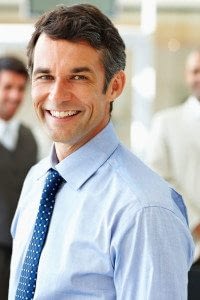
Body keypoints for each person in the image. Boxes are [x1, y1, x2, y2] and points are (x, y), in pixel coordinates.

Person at [9, 4, 194, 300]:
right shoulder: (36, 180)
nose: (57, 96)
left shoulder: (144, 210)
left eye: (79, 77)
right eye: (45, 76)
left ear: (115, 86)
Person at [145, 49, 200, 299]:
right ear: (187, 76)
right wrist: (196, 222)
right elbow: (158, 177)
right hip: (189, 247)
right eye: (195, 71)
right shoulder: (166, 123)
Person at [0, 56, 37, 299]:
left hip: (20, 251)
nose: (15, 96)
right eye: (8, 87)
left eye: (20, 88)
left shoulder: (29, 138)